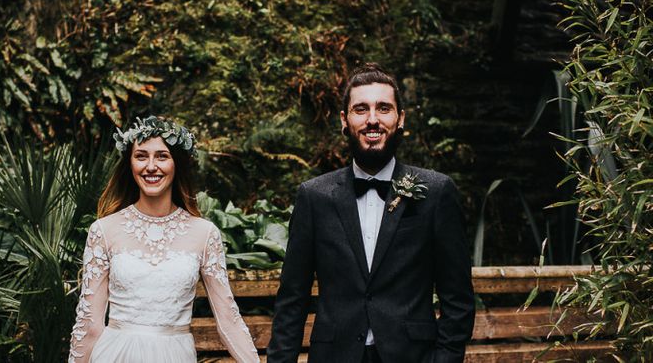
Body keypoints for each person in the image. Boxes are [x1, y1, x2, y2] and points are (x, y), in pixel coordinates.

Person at [268, 63, 475, 363]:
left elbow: (458, 299)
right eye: (361, 109)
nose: (373, 120)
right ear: (345, 120)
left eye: (384, 108)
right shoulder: (314, 196)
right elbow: (292, 300)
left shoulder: (436, 192)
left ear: (400, 118)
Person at [68, 115, 260, 363]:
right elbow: (89, 324)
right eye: (141, 156)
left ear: (176, 164)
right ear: (130, 164)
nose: (150, 166)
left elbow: (229, 321)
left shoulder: (204, 234)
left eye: (161, 156)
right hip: (115, 354)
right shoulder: (104, 230)